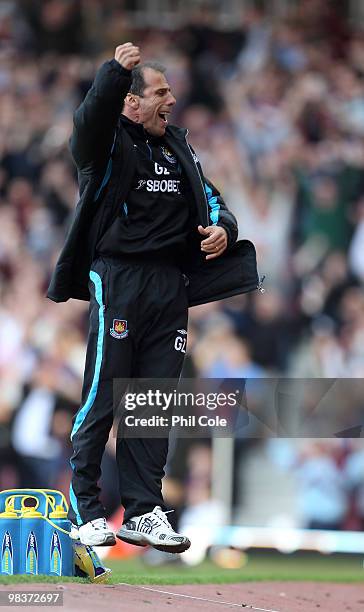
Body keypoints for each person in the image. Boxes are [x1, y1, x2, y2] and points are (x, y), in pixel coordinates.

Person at [47, 43, 258, 551]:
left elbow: (213, 200)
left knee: (152, 405)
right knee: (103, 393)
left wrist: (224, 230)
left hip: (171, 286)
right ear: (131, 103)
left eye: (170, 91)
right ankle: (85, 507)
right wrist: (113, 73)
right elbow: (88, 120)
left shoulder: (179, 148)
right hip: (118, 277)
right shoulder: (108, 144)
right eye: (161, 92)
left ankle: (144, 510)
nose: (172, 99)